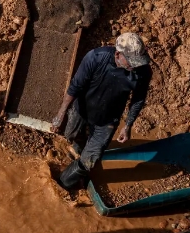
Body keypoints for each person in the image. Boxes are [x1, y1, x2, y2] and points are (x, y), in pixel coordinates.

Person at [51, 32, 153, 190]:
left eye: (138, 62)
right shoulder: (96, 57)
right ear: (118, 54)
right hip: (83, 109)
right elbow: (75, 86)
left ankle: (60, 186)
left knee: (90, 160)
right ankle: (80, 147)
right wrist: (61, 113)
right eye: (131, 62)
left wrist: (128, 126)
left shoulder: (142, 72)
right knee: (70, 134)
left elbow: (138, 100)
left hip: (107, 120)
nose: (134, 66)